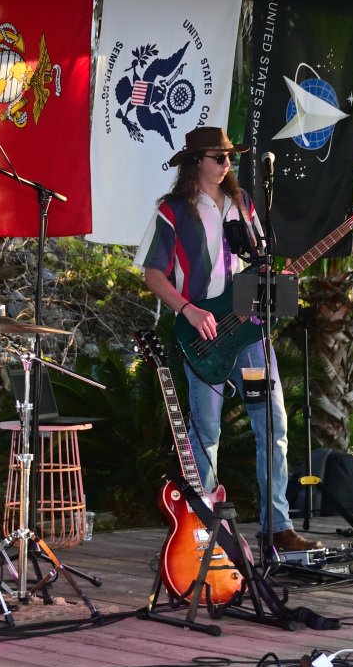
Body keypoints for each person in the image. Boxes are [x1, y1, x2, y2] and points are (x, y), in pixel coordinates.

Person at [136, 126, 321, 554]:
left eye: (228, 158)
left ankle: (277, 527)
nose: (226, 165)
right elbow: (152, 274)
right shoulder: (173, 210)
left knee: (272, 422)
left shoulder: (244, 205)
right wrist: (188, 308)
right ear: (196, 162)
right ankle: (204, 532)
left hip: (250, 332)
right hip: (203, 331)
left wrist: (277, 283)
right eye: (217, 158)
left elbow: (259, 265)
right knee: (207, 429)